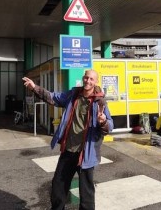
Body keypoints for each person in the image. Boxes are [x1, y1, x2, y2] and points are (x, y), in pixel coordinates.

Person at [22, 69, 114, 210]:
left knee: (86, 194)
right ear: (83, 78)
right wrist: (35, 88)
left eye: (91, 79)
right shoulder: (73, 95)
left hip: (86, 154)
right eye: (86, 77)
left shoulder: (99, 102)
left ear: (95, 82)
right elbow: (53, 97)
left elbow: (110, 126)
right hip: (69, 150)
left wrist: (102, 122)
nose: (88, 81)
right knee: (58, 187)